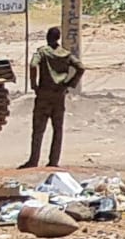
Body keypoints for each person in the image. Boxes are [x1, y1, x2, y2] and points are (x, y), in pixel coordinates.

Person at [21, 26, 85, 169]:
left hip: (44, 94)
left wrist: (34, 84)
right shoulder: (65, 54)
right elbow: (80, 67)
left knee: (38, 130)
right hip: (59, 95)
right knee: (58, 129)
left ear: (48, 37)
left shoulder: (43, 52)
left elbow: (32, 65)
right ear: (58, 38)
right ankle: (53, 161)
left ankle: (33, 160)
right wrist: (69, 84)